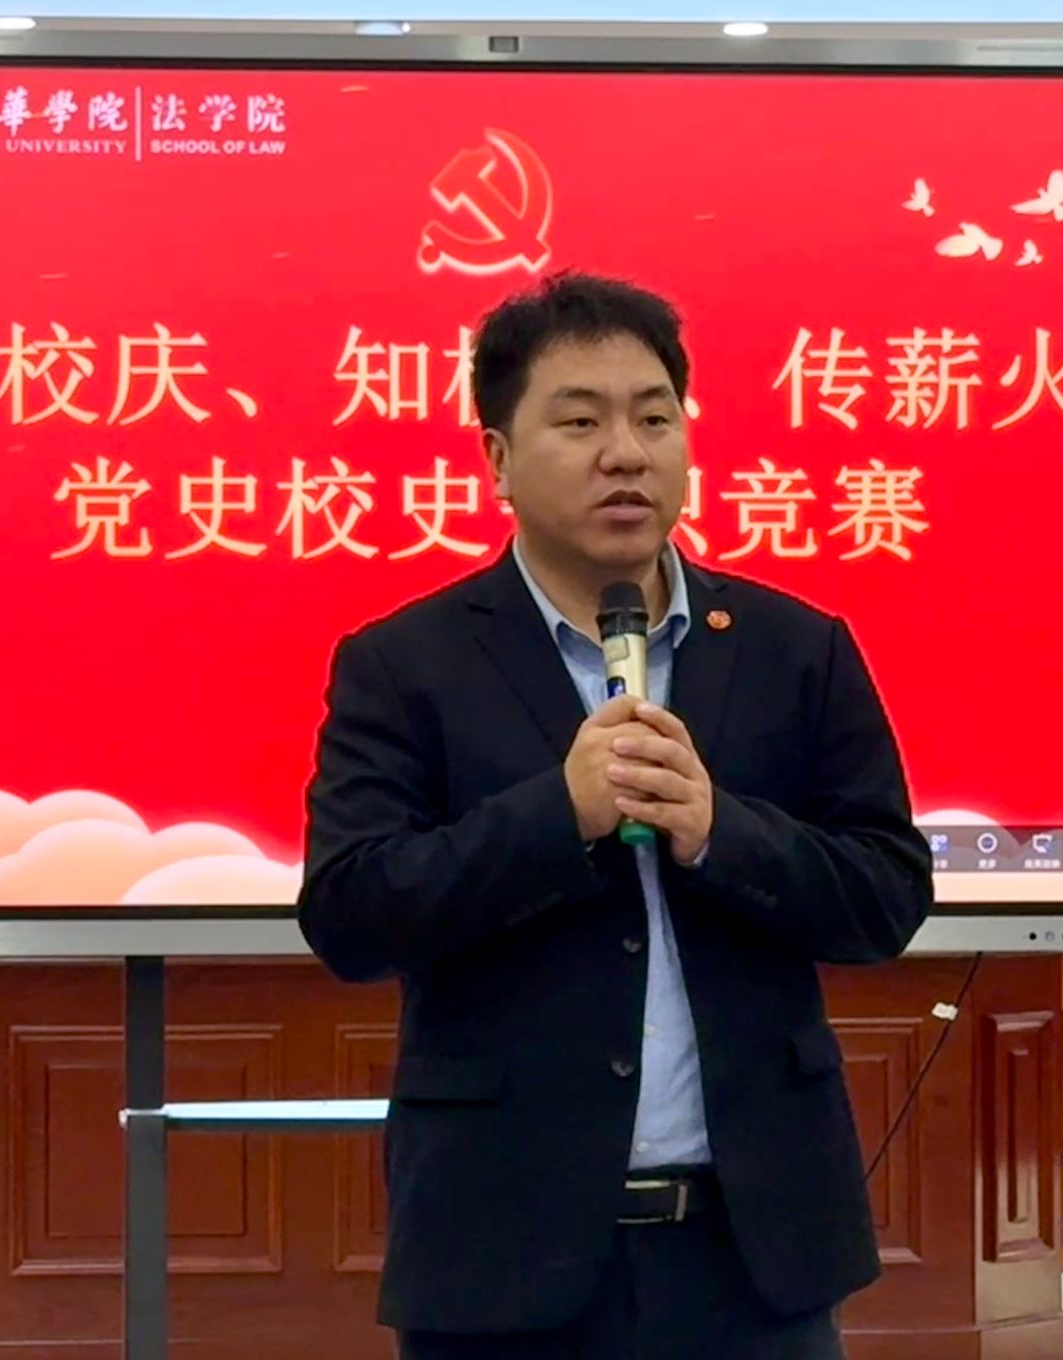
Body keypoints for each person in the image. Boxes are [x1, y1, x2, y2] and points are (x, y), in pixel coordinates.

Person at [298, 273, 933, 1359]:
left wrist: (720, 830)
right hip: (502, 1258)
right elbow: (352, 913)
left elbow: (885, 894)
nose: (626, 454)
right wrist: (560, 814)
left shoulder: (794, 649)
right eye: (580, 422)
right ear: (497, 458)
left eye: (653, 418)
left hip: (754, 1257)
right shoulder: (406, 664)